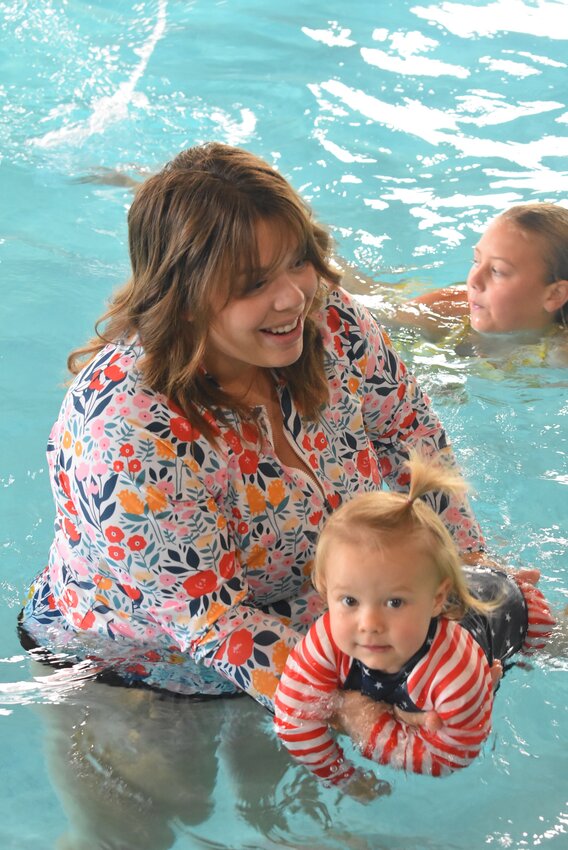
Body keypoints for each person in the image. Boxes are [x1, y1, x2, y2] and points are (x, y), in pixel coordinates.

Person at [20, 141, 487, 727]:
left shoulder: (327, 319)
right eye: (253, 283)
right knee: (163, 808)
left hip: (320, 629)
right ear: (184, 298)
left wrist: (468, 573)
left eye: (299, 260)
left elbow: (412, 434)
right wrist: (353, 709)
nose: (293, 296)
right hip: (136, 668)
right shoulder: (126, 437)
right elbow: (215, 625)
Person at [274, 452, 556, 799]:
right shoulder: (327, 640)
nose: (369, 624)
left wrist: (366, 722)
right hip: (440, 587)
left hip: (510, 610)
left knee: (555, 647)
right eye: (349, 601)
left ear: (438, 601)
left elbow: (452, 755)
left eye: (394, 603)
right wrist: (342, 777)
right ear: (325, 591)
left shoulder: (454, 667)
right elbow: (292, 720)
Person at [385, 204, 568, 365]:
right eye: (476, 261)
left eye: (497, 270)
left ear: (555, 295)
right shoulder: (443, 310)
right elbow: (370, 321)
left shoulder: (560, 355)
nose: (473, 280)